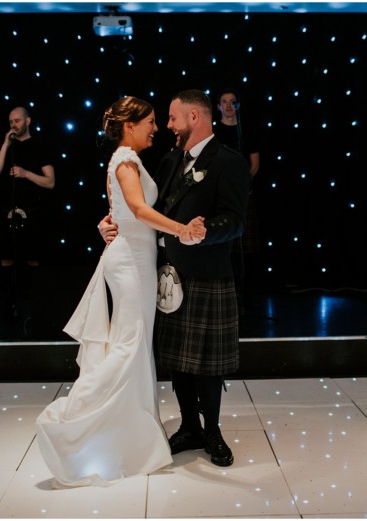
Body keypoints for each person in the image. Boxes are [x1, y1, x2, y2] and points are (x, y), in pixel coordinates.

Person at [35, 96, 206, 487]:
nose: (156, 128)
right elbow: (138, 209)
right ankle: (77, 419)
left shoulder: (124, 159)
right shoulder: (126, 161)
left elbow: (120, 212)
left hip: (135, 260)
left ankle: (131, 434)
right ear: (130, 125)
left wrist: (112, 224)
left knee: (135, 344)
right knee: (129, 345)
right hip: (130, 264)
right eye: (149, 121)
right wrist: (181, 229)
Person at [100, 90, 250, 467]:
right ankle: (189, 427)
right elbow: (144, 210)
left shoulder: (228, 162)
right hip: (168, 274)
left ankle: (212, 431)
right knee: (178, 359)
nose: (167, 126)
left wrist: (202, 232)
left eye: (172, 118)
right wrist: (111, 221)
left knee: (209, 363)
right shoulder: (169, 162)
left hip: (208, 272)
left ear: (195, 118)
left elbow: (235, 221)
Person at [0, 106, 56, 317]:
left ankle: (32, 302)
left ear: (27, 121)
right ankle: (8, 301)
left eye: (17, 121)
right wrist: (4, 145)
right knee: (6, 256)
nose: (13, 125)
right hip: (7, 211)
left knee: (32, 257)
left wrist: (26, 173)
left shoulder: (39, 147)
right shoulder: (8, 147)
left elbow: (50, 182)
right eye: (10, 122)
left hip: (32, 211)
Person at [213, 88, 261, 312]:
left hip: (243, 195)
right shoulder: (213, 133)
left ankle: (247, 293)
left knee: (246, 247)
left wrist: (241, 186)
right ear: (218, 107)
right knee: (224, 244)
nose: (229, 106)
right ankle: (226, 292)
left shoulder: (246, 131)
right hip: (221, 197)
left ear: (238, 105)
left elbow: (254, 165)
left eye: (233, 102)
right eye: (224, 102)